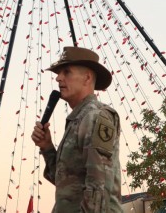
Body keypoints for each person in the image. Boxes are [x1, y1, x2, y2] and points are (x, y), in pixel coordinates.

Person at [31, 46, 123, 212]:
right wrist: (46, 146)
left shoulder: (95, 117)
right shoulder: (78, 119)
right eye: (59, 73)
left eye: (66, 72)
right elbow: (66, 182)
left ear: (87, 78)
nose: (58, 78)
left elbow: (98, 189)